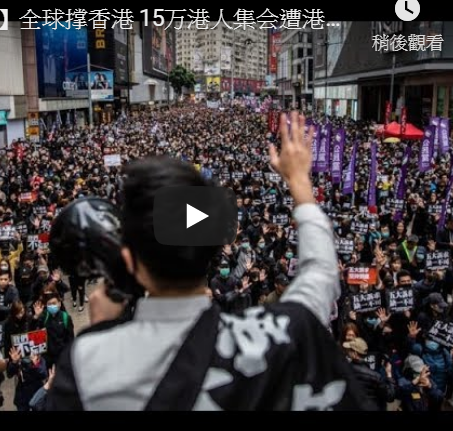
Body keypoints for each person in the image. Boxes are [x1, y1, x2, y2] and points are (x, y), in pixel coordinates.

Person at [46, 111, 371, 410]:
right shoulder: (285, 331)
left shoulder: (86, 365)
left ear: (129, 260)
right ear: (215, 250)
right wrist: (299, 181)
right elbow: (321, 273)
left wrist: (103, 330)